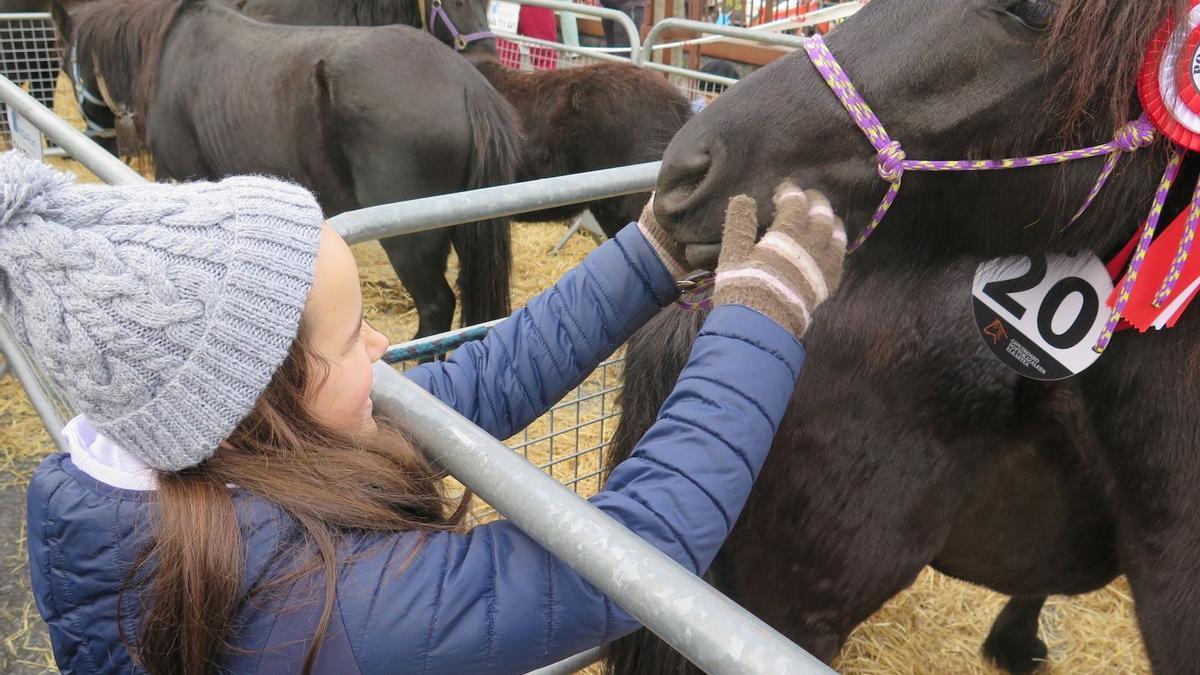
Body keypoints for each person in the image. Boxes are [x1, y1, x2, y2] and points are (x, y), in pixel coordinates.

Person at [4, 150, 846, 673]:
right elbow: (626, 561)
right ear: (255, 408)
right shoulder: (315, 620)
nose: (383, 349)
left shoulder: (183, 466)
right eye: (351, 334)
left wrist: (649, 252)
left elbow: (487, 378)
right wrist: (759, 321)